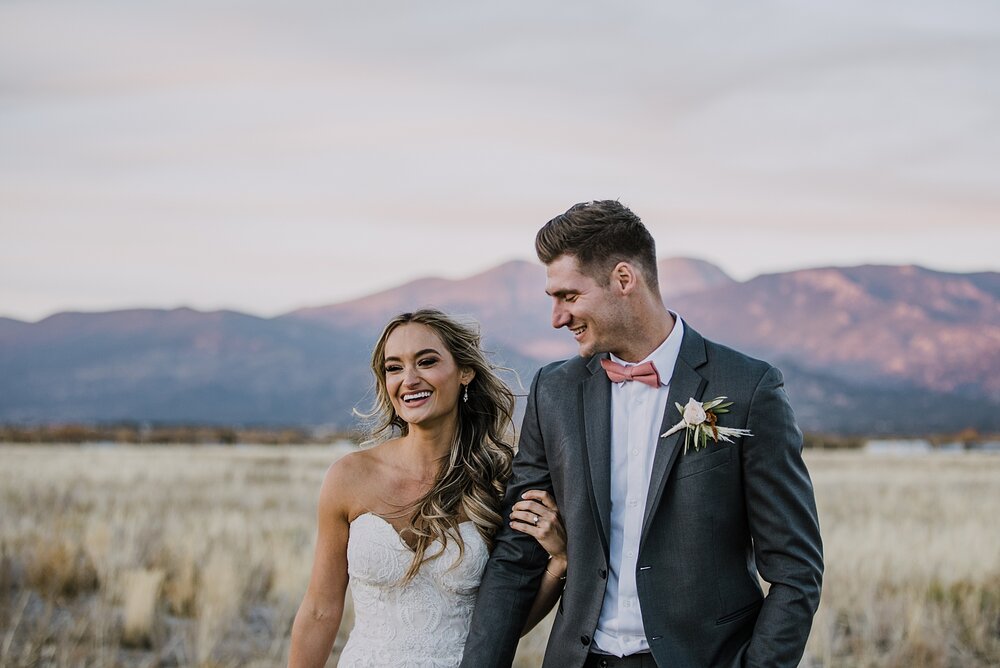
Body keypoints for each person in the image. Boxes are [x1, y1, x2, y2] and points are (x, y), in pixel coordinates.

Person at [461, 201, 824, 668]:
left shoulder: (747, 388)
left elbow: (796, 569)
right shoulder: (555, 390)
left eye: (569, 296)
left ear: (624, 280)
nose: (556, 317)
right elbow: (517, 551)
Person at [288, 308, 568, 668]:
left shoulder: (499, 482)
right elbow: (319, 611)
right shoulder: (348, 477)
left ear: (464, 371)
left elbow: (504, 623)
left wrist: (560, 560)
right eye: (394, 367)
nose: (409, 379)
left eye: (427, 361)